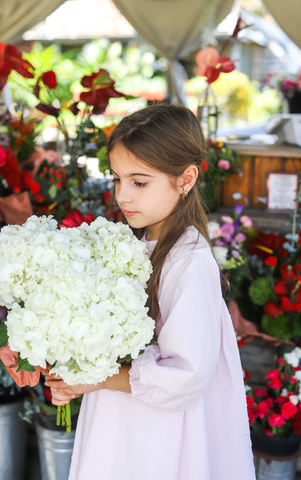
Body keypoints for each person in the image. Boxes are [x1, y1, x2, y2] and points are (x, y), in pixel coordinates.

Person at [45, 103, 255, 480]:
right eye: (117, 179)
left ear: (186, 178)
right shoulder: (129, 243)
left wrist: (94, 379)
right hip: (118, 416)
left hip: (159, 433)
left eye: (139, 182)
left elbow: (185, 375)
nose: (123, 196)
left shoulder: (187, 261)